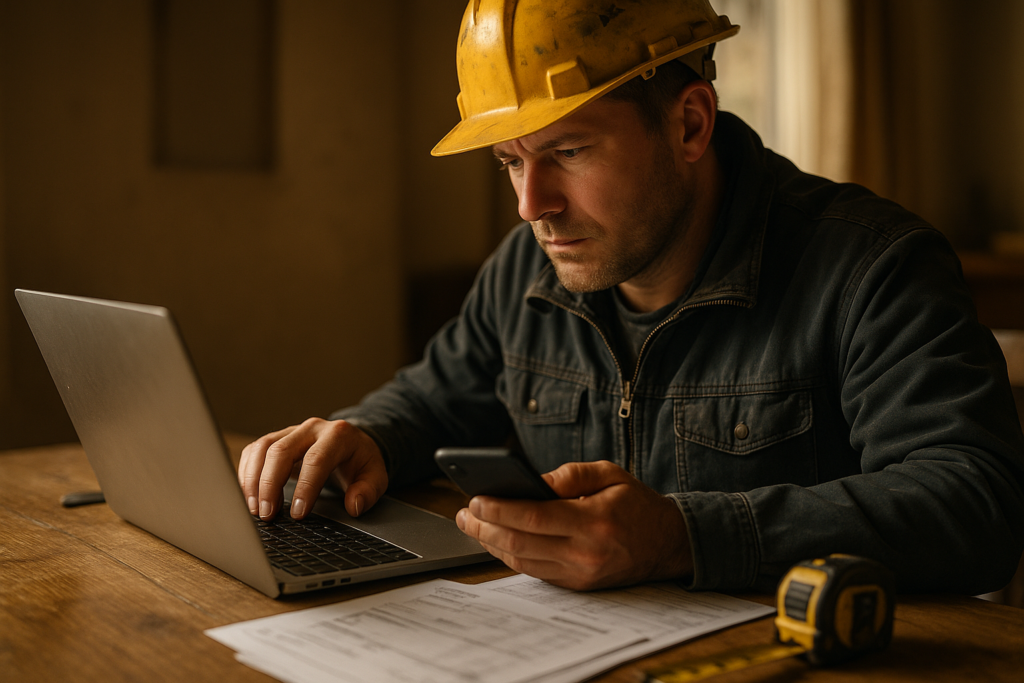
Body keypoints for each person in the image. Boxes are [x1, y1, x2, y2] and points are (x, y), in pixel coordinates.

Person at [238, 0, 1024, 594]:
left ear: (689, 124)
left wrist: (682, 535)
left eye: (568, 151)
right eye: (510, 162)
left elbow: (975, 500)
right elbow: (435, 395)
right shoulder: (525, 269)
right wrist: (368, 434)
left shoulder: (872, 266)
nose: (530, 204)